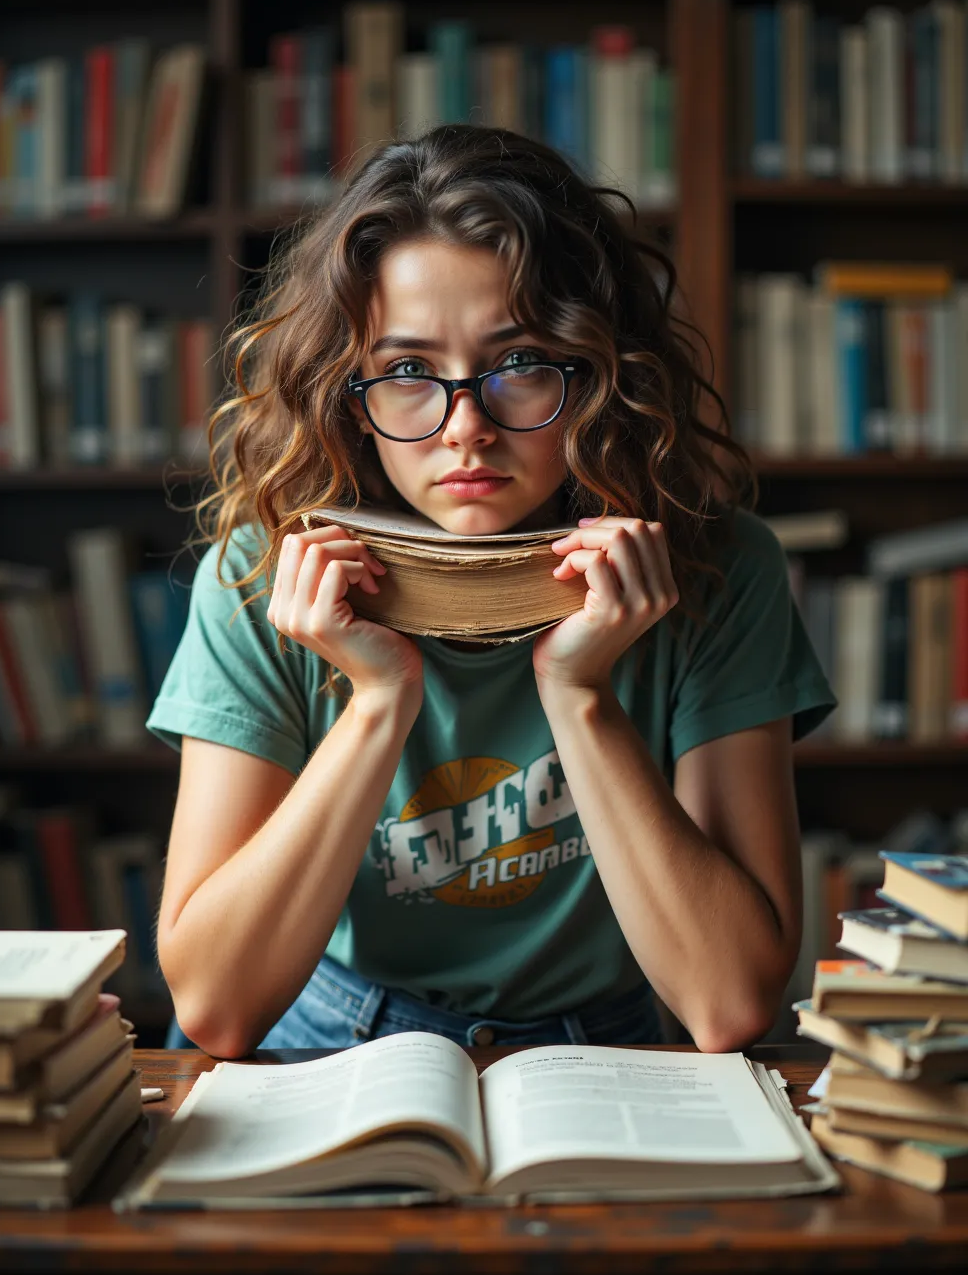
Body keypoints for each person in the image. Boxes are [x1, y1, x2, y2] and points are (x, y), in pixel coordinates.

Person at [148, 125, 836, 1060]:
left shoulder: (717, 567)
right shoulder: (262, 576)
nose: (465, 428)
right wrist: (377, 704)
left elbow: (728, 1004)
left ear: (598, 372)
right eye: (404, 372)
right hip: (329, 1042)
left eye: (518, 364)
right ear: (341, 393)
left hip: (604, 1049)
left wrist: (581, 694)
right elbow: (219, 1011)